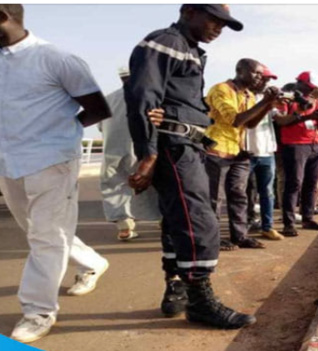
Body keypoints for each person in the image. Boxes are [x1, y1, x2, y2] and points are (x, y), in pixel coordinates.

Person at [125, 4, 255, 329]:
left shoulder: (190, 50)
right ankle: (200, 301)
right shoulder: (166, 42)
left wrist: (203, 140)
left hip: (188, 144)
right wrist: (148, 154)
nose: (218, 28)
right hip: (173, 147)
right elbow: (143, 98)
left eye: (224, 24)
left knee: (177, 220)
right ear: (188, 11)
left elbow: (181, 104)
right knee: (199, 220)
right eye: (214, 19)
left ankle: (178, 287)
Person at [0, 4, 111, 343]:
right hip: (8, 162)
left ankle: (38, 311)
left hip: (52, 160)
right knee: (41, 231)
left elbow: (97, 108)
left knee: (46, 237)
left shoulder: (55, 58)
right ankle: (92, 261)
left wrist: (58, 130)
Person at [204, 58, 281, 250]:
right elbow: (235, 120)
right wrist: (264, 101)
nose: (259, 77)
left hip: (238, 151)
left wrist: (267, 105)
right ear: (240, 71)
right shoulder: (221, 89)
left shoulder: (248, 95)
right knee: (215, 198)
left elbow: (251, 124)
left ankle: (240, 236)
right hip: (217, 149)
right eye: (255, 73)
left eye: (260, 74)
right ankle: (212, 239)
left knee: (239, 196)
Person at [100, 68, 161, 241]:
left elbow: (100, 126)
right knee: (154, 184)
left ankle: (124, 227)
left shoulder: (108, 99)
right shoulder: (151, 97)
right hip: (145, 149)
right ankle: (163, 219)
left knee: (115, 186)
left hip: (114, 150)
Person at [274, 72, 318, 237]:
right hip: (295, 145)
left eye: (312, 88)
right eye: (308, 87)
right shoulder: (286, 99)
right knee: (294, 184)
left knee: (311, 184)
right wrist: (303, 116)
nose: (309, 90)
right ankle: (289, 223)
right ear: (299, 83)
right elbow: (281, 121)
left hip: (316, 144)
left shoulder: (316, 101)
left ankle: (308, 218)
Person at [245, 64, 284, 240]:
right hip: (246, 150)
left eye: (268, 80)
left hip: (267, 151)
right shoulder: (243, 96)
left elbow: (280, 118)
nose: (266, 83)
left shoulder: (267, 99)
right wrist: (267, 104)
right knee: (244, 192)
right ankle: (243, 225)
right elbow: (248, 122)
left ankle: (267, 227)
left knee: (267, 192)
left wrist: (297, 111)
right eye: (264, 79)